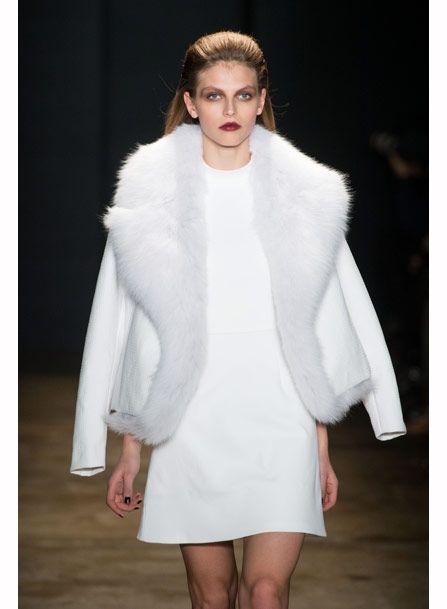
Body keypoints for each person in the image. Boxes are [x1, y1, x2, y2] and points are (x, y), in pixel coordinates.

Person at [71, 31, 406, 609]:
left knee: (267, 592)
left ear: (261, 99)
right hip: (189, 419)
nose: (230, 109)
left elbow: (325, 320)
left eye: (243, 95)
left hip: (280, 414)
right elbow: (125, 326)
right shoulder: (150, 196)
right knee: (212, 597)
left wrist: (320, 445)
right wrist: (130, 449)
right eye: (214, 95)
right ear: (191, 102)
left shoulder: (305, 195)